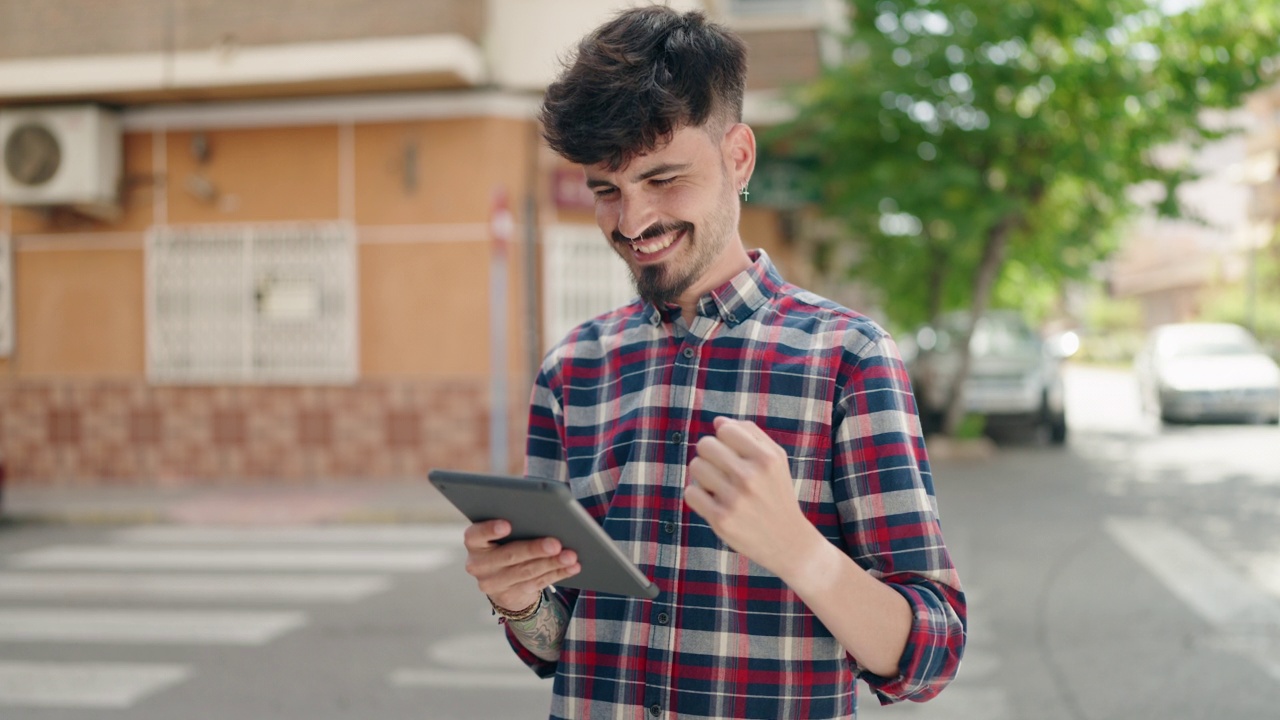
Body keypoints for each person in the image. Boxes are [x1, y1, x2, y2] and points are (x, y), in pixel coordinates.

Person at [462, 6, 966, 719]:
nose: (632, 222)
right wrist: (519, 601)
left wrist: (798, 549)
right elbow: (558, 644)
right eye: (606, 189)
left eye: (664, 179)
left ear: (738, 157)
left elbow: (931, 655)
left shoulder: (848, 359)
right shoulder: (573, 370)